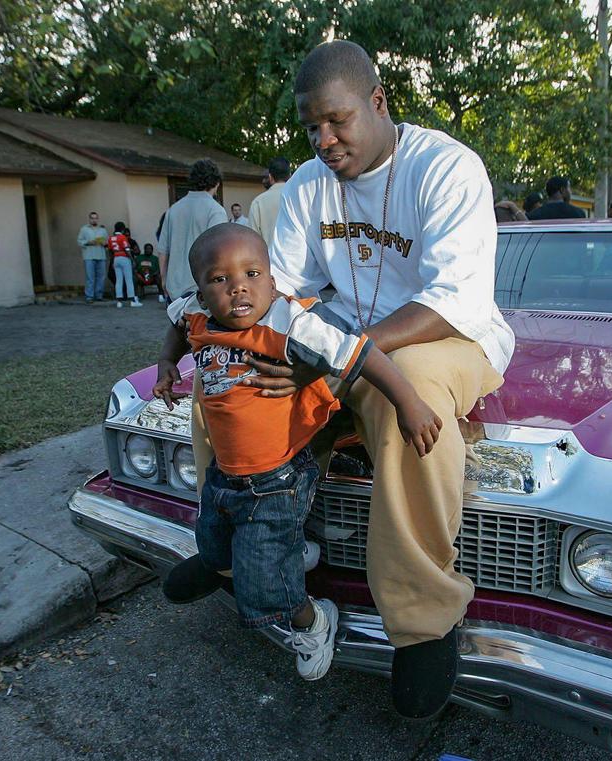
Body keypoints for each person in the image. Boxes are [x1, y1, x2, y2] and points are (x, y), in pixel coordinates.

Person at [194, 40, 513, 719]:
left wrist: (341, 354)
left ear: (378, 102)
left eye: (337, 120)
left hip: (448, 337)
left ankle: (424, 618)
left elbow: (455, 296)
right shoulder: (310, 183)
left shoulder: (446, 167)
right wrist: (295, 347)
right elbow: (283, 290)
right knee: (227, 373)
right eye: (311, 126)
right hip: (341, 337)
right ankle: (223, 548)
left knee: (411, 397)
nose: (324, 139)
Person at [153, 223, 442, 682]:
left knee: (267, 590)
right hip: (224, 476)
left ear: (272, 280)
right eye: (219, 279)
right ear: (201, 291)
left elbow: (361, 353)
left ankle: (313, 621)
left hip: (275, 481)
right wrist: (169, 362)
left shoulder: (289, 324)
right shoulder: (198, 316)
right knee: (212, 547)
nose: (238, 287)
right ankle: (290, 549)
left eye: (252, 273)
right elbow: (176, 323)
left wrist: (408, 403)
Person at [157, 159, 227, 300]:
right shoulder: (215, 210)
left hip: (174, 288)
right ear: (217, 183)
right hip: (201, 289)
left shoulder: (173, 209)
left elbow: (163, 249)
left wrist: (163, 279)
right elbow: (218, 251)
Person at [248, 156, 293, 245]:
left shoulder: (258, 202)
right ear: (290, 175)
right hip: (299, 257)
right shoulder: (299, 197)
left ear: (270, 177)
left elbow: (252, 239)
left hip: (267, 256)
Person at [107, 222, 142, 308]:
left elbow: (110, 251)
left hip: (116, 258)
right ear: (122, 229)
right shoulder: (122, 237)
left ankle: (119, 301)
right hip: (124, 258)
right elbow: (127, 249)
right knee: (128, 279)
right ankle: (132, 300)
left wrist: (112, 261)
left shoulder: (111, 238)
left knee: (119, 280)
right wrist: (132, 259)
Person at [77, 212, 110, 302]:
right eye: (92, 218)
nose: (94, 220)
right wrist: (88, 242)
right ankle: (89, 296)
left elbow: (108, 242)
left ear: (98, 219)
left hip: (101, 255)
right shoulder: (84, 229)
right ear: (89, 219)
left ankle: (99, 295)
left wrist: (105, 243)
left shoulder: (102, 230)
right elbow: (79, 241)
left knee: (101, 276)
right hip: (89, 256)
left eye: (95, 218)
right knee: (90, 277)